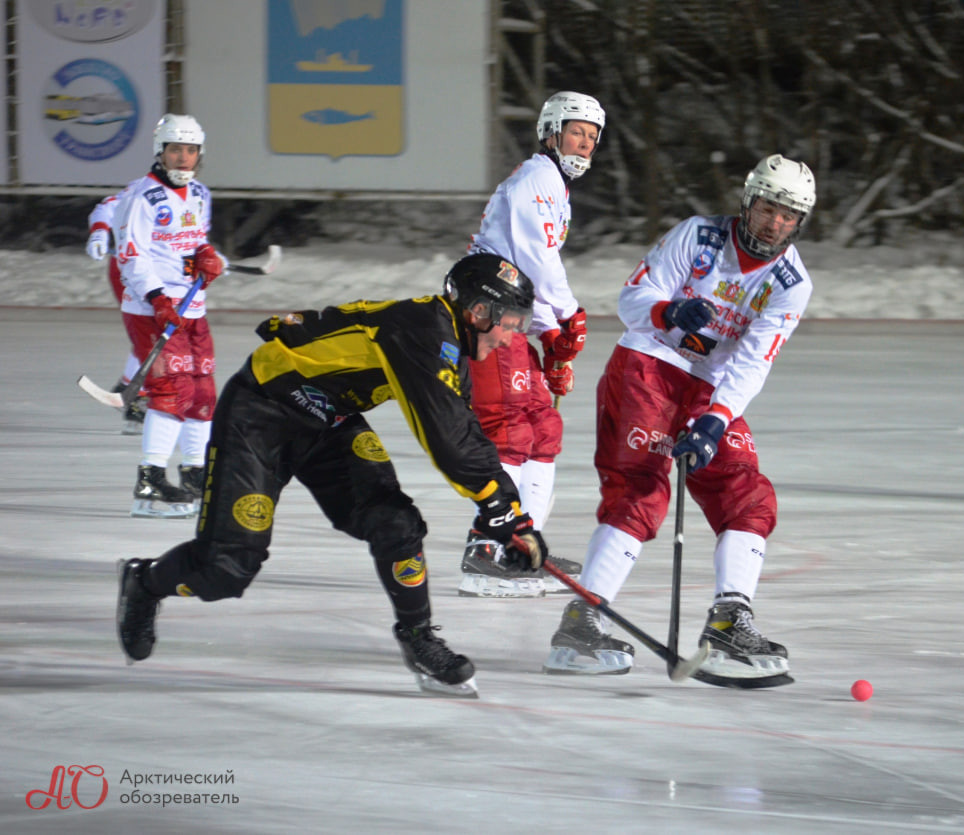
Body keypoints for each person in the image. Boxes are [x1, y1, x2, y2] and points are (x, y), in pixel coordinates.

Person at [114, 253, 550, 698]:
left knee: (396, 523)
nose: (509, 336)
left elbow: (455, 418)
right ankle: (144, 581)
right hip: (259, 415)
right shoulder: (426, 333)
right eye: (509, 322)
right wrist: (501, 510)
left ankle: (419, 639)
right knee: (228, 568)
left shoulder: (445, 333)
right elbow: (448, 438)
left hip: (328, 420)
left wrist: (511, 517)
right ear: (478, 311)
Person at [541, 155, 816, 687]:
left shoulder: (790, 282)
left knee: (747, 492)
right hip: (648, 365)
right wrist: (668, 312)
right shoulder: (699, 236)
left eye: (789, 216)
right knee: (641, 491)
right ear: (748, 201)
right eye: (768, 209)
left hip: (710, 386)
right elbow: (631, 299)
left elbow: (755, 359)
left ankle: (729, 621)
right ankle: (582, 622)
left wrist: (716, 421)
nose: (775, 223)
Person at [455, 91, 603, 598]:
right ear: (550, 132)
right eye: (576, 132)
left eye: (591, 137)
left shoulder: (555, 187)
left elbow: (523, 271)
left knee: (543, 427)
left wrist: (551, 339)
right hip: (487, 321)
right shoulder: (537, 179)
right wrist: (565, 316)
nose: (583, 144)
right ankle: (485, 548)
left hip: (511, 319)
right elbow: (537, 260)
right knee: (511, 428)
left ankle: (524, 546)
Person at [113, 113, 227, 518]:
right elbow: (130, 255)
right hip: (151, 309)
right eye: (175, 149)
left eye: (191, 150)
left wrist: (205, 256)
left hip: (191, 308)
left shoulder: (199, 193)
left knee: (203, 394)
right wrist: (158, 298)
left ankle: (196, 474)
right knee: (173, 393)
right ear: (160, 152)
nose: (183, 158)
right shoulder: (140, 197)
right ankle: (151, 483)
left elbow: (194, 242)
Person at [86, 189, 147, 434]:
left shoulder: (190, 196)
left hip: (162, 273)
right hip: (129, 270)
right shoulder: (143, 190)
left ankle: (127, 390)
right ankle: (133, 396)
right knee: (151, 332)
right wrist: (100, 233)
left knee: (160, 332)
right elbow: (104, 208)